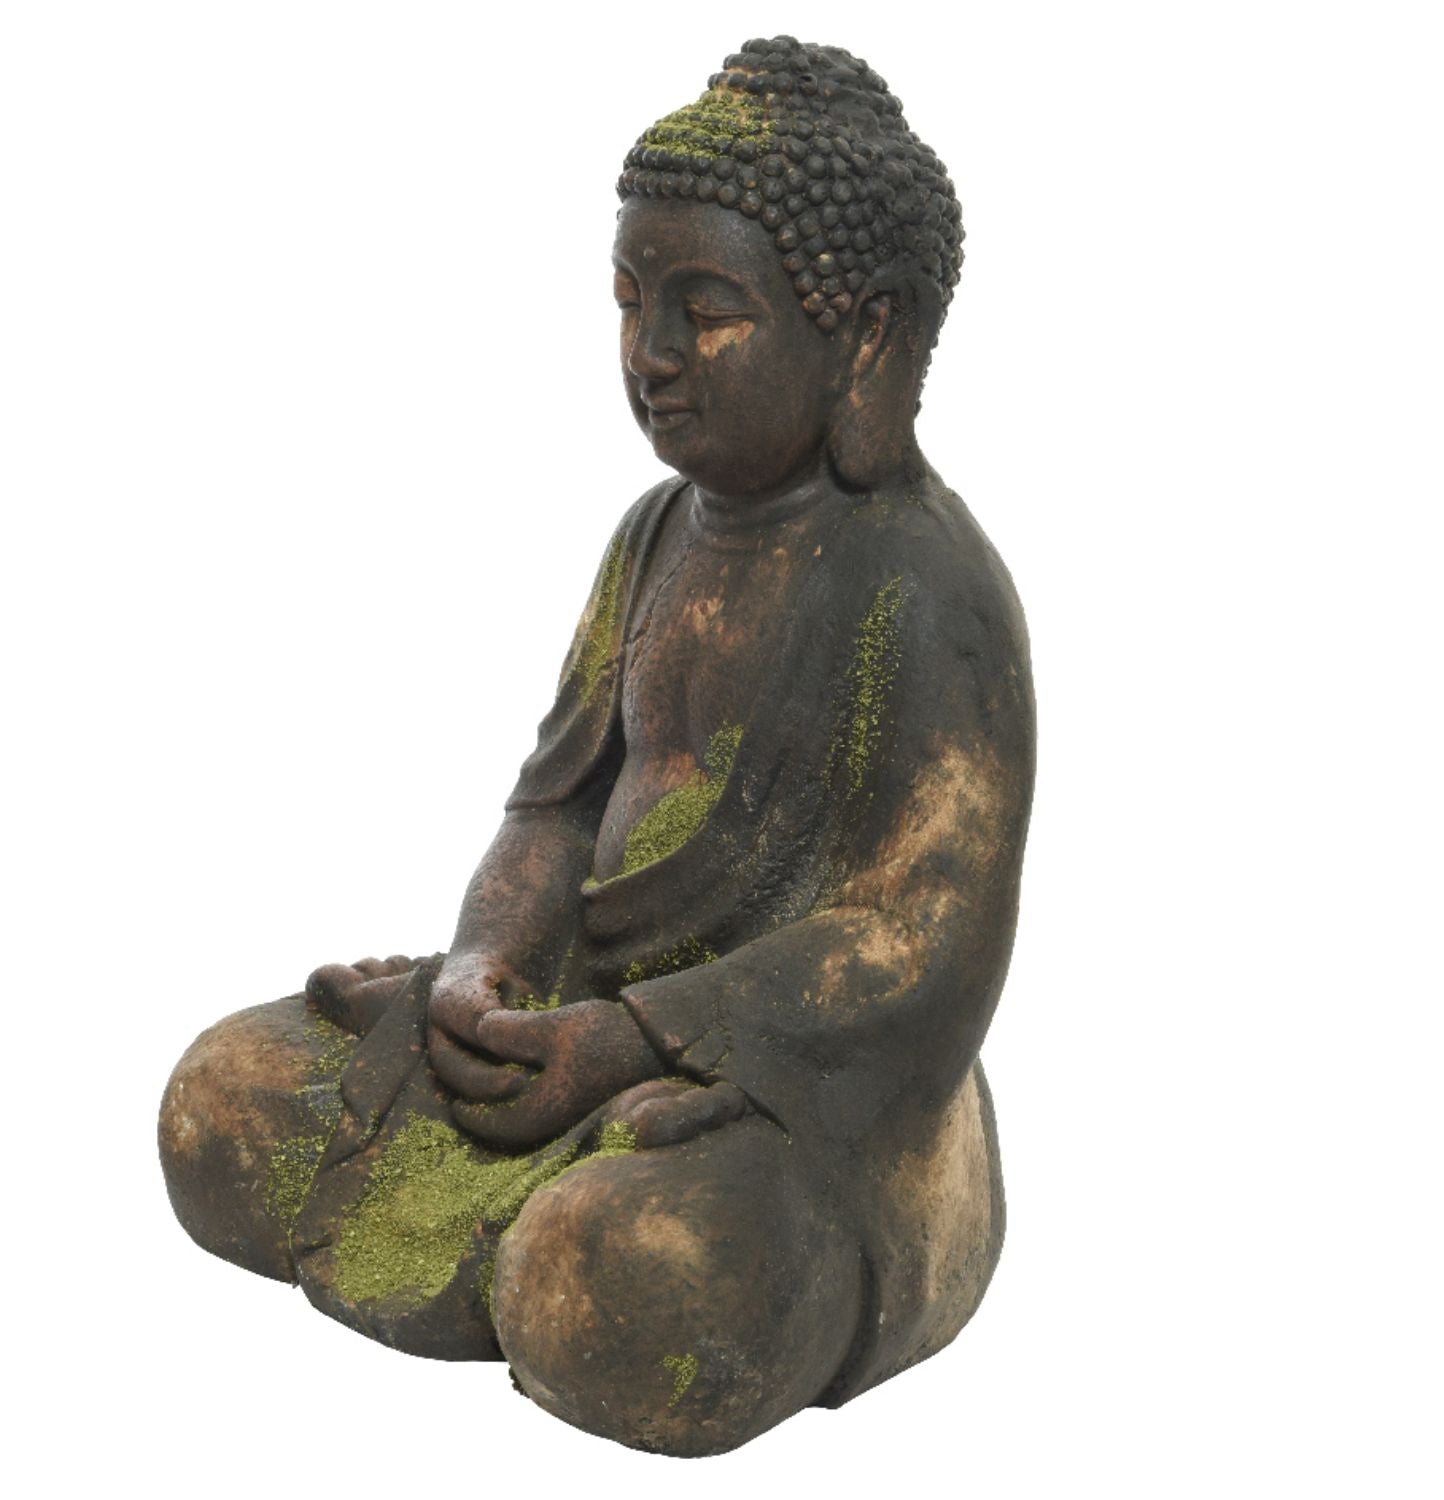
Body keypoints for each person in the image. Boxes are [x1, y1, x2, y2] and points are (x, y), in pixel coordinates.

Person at [159, 36, 1034, 1457]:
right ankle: (525, 1222)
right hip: (579, 1024)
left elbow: (923, 941)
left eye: (708, 310)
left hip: (815, 1102)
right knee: (221, 1097)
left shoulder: (924, 585)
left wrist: (641, 1039)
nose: (653, 355)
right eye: (631, 301)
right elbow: (558, 807)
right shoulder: (654, 540)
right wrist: (483, 969)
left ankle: (574, 1259)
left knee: (623, 1280)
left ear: (867, 336)